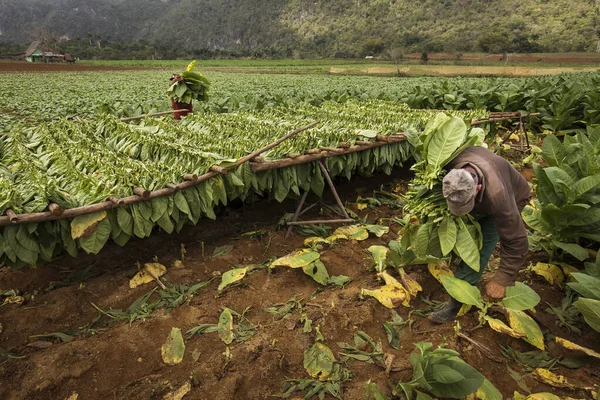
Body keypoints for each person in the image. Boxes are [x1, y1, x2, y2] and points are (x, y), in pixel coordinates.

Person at [428, 146, 532, 324]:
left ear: (478, 187)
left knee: (479, 247)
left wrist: (502, 278)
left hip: (514, 195)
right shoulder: (450, 161)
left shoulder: (499, 198)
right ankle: (463, 275)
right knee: (465, 233)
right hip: (486, 195)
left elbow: (516, 241)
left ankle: (456, 304)